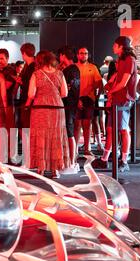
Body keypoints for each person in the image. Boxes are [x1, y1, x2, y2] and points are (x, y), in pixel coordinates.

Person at [93, 36, 138, 172]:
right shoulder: (122, 60)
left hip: (123, 99)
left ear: (120, 46)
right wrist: (111, 91)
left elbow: (124, 82)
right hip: (116, 99)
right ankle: (105, 159)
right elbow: (118, 78)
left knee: (124, 130)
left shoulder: (130, 60)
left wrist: (111, 90)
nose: (113, 47)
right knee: (111, 129)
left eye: (115, 45)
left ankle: (124, 160)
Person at [25, 50, 70, 178]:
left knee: (41, 136)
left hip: (40, 107)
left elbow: (31, 94)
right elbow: (64, 93)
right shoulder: (60, 74)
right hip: (57, 107)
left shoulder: (36, 74)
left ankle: (41, 168)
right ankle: (55, 169)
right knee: (56, 136)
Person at [75, 47, 103, 156]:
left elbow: (99, 83)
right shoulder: (74, 67)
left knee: (87, 125)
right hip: (77, 99)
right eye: (81, 53)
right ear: (77, 55)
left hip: (89, 99)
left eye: (86, 53)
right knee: (77, 125)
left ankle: (87, 149)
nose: (84, 55)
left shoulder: (93, 67)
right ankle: (75, 150)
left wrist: (96, 95)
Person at [58, 46, 80, 174]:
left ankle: (71, 161)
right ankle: (70, 160)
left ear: (62, 55)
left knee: (69, 133)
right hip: (70, 105)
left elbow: (66, 88)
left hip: (68, 105)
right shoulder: (74, 69)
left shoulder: (70, 70)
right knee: (68, 133)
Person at [0, 48, 17, 161]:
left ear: (7, 59)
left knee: (9, 130)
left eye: (2, 58)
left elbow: (6, 87)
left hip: (8, 104)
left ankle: (11, 155)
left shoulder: (10, 70)